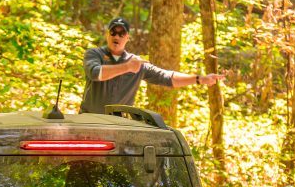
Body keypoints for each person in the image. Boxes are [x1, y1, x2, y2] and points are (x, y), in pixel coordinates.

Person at [81, 17, 225, 114]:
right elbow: (95, 73)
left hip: (118, 124)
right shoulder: (94, 54)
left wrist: (200, 79)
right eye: (113, 32)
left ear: (127, 37)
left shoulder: (137, 63)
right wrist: (127, 67)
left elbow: (167, 77)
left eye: (121, 33)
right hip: (89, 119)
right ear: (108, 35)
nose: (116, 36)